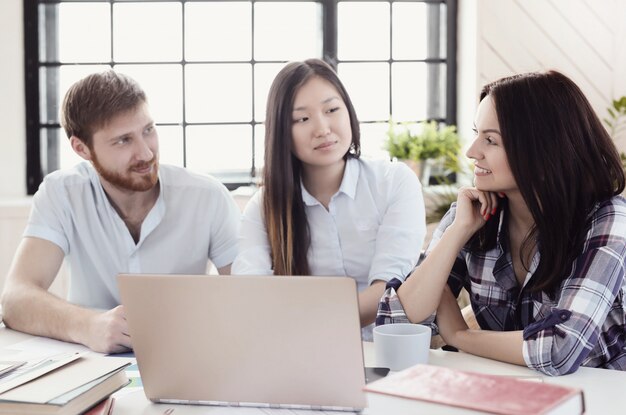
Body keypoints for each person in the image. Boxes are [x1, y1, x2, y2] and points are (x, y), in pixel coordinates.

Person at [377, 70, 626, 375]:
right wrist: (456, 234)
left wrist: (460, 336)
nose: (472, 152)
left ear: (543, 149)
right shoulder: (468, 215)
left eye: (491, 140)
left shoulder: (607, 219)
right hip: (508, 392)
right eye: (476, 134)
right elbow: (396, 326)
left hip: (602, 396)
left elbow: (561, 350)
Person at [1, 70, 240, 353]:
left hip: (188, 355)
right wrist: (89, 325)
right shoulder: (61, 193)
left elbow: (252, 298)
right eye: (123, 140)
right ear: (82, 148)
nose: (146, 153)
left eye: (148, 130)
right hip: (92, 364)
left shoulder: (208, 196)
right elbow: (15, 299)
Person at [232, 58, 426, 338]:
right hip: (300, 354)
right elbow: (252, 294)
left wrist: (310, 326)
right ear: (281, 132)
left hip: (388, 350)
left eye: (331, 109)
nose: (322, 128)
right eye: (302, 118)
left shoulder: (393, 182)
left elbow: (389, 289)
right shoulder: (264, 207)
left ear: (348, 111)